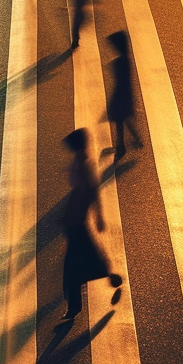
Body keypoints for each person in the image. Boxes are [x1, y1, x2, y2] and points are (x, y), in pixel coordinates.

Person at [59, 128, 122, 326]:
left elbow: (91, 191)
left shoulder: (84, 165)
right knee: (82, 260)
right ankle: (110, 277)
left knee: (73, 267)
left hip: (77, 221)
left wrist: (99, 215)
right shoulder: (80, 161)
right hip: (74, 221)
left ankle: (75, 306)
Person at [107, 30, 142, 159]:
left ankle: (123, 145)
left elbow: (118, 78)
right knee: (123, 120)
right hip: (125, 93)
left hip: (120, 94)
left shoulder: (120, 62)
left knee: (120, 120)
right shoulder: (125, 60)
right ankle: (127, 142)